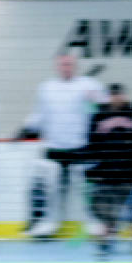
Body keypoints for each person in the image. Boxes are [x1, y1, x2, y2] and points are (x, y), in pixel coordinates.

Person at [17, 53, 106, 237]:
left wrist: (95, 99)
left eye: (70, 64)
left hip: (80, 147)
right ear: (57, 66)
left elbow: (102, 108)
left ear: (76, 65)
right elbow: (39, 115)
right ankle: (49, 225)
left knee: (84, 190)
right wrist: (24, 128)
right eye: (63, 64)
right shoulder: (46, 88)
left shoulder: (89, 85)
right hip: (54, 148)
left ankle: (92, 223)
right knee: (52, 191)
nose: (66, 67)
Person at [85, 83, 132, 257]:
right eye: (113, 94)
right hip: (107, 171)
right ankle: (105, 242)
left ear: (125, 95)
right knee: (106, 208)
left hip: (130, 171)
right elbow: (91, 143)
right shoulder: (98, 116)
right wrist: (91, 166)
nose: (117, 97)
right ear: (108, 96)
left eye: (119, 94)